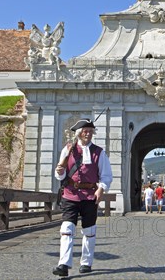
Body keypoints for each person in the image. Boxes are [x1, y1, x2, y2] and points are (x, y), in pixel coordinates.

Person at [53, 118, 113, 277]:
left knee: (89, 230)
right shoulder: (68, 150)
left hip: (90, 196)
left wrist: (101, 189)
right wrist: (60, 173)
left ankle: (86, 262)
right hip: (70, 194)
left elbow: (106, 175)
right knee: (67, 229)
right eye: (85, 131)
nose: (88, 134)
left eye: (90, 131)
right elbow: (60, 173)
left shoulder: (99, 152)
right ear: (79, 133)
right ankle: (64, 264)